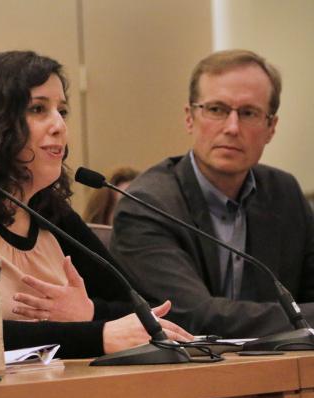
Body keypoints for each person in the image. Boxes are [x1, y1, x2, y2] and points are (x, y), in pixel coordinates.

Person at [0, 51, 191, 358]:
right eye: (38, 109)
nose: (59, 125)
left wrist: (88, 311)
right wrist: (95, 334)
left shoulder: (48, 212)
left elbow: (149, 313)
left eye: (63, 111)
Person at [111, 49, 314, 338]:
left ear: (271, 128)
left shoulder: (285, 194)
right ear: (190, 118)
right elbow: (195, 317)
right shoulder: (148, 204)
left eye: (248, 113)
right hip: (184, 376)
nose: (232, 128)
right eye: (216, 110)